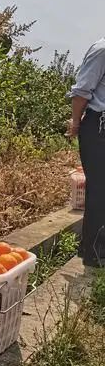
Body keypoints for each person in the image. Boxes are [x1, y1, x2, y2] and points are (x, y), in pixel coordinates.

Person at [67, 36, 105, 267]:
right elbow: (81, 92)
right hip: (100, 127)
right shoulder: (102, 50)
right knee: (100, 189)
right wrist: (75, 123)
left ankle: (93, 247)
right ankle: (94, 252)